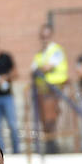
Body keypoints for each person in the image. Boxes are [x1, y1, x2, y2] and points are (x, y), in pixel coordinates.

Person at [30, 25, 68, 153]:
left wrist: (39, 69)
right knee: (45, 120)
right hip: (43, 91)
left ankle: (54, 145)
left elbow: (46, 68)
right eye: (42, 36)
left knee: (52, 119)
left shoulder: (56, 50)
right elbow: (33, 70)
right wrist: (39, 69)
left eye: (46, 36)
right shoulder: (40, 54)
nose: (44, 39)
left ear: (51, 36)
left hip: (55, 90)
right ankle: (50, 145)